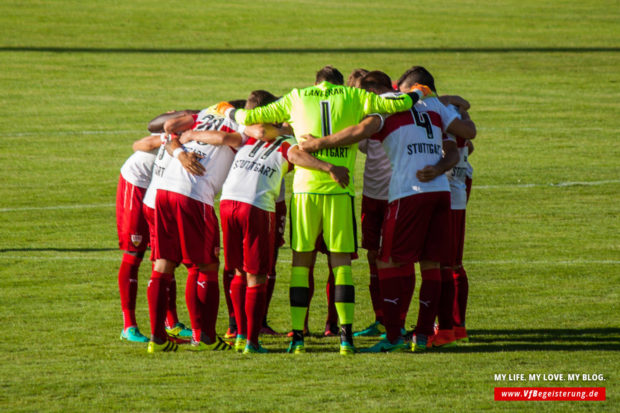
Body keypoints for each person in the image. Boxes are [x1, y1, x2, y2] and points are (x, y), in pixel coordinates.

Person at [219, 65, 432, 355]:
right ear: (340, 83)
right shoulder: (354, 97)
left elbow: (250, 117)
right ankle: (345, 338)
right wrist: (417, 94)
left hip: (306, 191)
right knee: (341, 264)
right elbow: (398, 102)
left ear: (315, 83)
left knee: (300, 263)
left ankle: (297, 337)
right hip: (339, 191)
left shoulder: (296, 97)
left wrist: (229, 113)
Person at [299, 68, 476, 353]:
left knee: (388, 261)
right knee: (431, 264)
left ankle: (393, 336)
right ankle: (420, 336)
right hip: (440, 192)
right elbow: (460, 139)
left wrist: (318, 143)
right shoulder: (433, 104)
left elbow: (357, 132)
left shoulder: (388, 108)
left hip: (409, 193)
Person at [145, 103, 244, 353]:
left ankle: (156, 339)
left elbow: (168, 129)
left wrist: (183, 147)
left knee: (163, 262)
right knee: (207, 265)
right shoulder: (241, 122)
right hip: (194, 193)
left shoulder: (206, 114)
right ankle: (205, 337)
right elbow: (224, 138)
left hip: (165, 190)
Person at [116, 133, 161, 343]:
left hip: (160, 187)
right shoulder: (193, 126)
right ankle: (129, 326)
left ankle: (170, 324)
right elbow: (140, 144)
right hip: (136, 183)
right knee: (135, 251)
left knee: (163, 255)